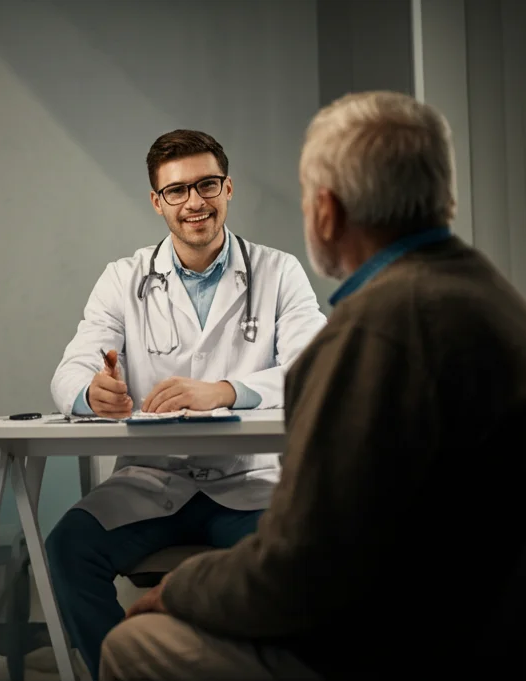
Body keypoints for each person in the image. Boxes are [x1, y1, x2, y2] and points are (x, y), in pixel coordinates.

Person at [99, 91, 526, 681]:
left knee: (134, 641)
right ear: (443, 194)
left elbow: (296, 570)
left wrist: (179, 590)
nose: (195, 203)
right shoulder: (505, 309)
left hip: (376, 650)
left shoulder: (371, 336)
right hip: (472, 642)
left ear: (325, 209)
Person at [46, 129, 327, 677]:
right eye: (177, 191)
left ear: (228, 189)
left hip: (249, 484)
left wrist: (227, 392)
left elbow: (314, 372)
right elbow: (71, 370)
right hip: (152, 483)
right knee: (67, 549)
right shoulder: (122, 280)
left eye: (207, 185)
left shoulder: (279, 271)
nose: (194, 202)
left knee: (302, 566)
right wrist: (90, 393)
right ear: (157, 202)